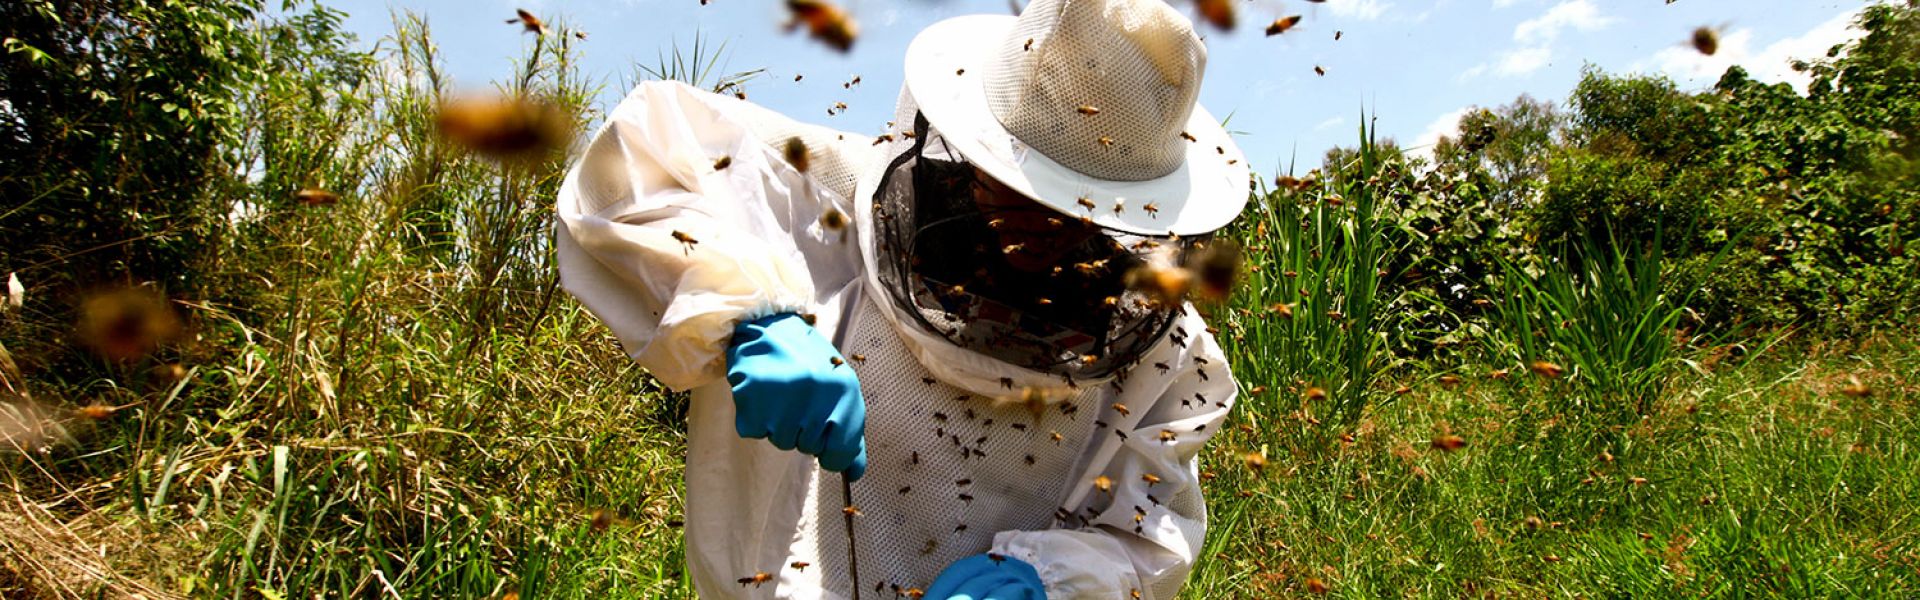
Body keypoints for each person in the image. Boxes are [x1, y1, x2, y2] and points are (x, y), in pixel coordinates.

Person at [554, 0, 1251, 597]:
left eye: (1071, 210)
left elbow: (1149, 534)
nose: (1037, 226)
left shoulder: (1169, 357)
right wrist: (753, 317)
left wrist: (1055, 579)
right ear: (976, 141)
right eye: (1020, 187)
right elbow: (635, 167)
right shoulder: (822, 190)